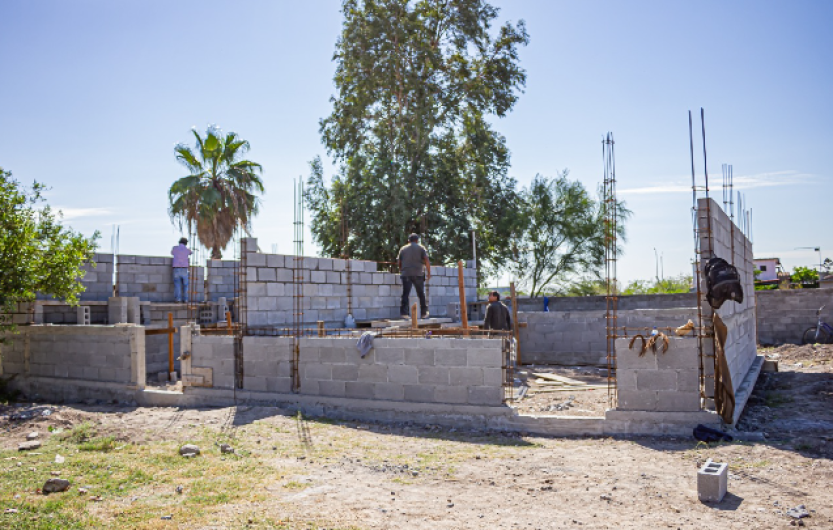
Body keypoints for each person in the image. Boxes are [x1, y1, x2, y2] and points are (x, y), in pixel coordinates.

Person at [397, 233, 431, 319]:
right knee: (421, 294)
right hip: (418, 273)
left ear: (409, 240)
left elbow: (399, 262)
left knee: (405, 294)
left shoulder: (403, 249)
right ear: (417, 240)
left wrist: (401, 270)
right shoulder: (421, 248)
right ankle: (424, 313)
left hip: (406, 274)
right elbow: (426, 260)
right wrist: (429, 272)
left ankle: (404, 313)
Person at [171, 237, 192, 303]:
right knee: (185, 285)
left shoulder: (175, 248)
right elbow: (191, 252)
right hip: (184, 269)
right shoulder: (187, 250)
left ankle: (178, 299)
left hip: (176, 268)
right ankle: (185, 300)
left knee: (177, 285)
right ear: (186, 243)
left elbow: (172, 253)